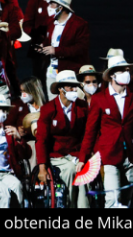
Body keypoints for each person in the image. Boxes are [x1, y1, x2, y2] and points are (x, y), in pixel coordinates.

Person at [80, 55, 133, 208]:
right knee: (113, 199)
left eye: (127, 70)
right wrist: (83, 158)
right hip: (110, 155)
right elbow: (90, 131)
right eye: (121, 70)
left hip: (132, 155)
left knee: (126, 202)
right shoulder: (99, 99)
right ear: (112, 75)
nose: (126, 73)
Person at [35, 70, 89, 208]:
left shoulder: (82, 107)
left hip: (77, 154)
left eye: (75, 86)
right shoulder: (48, 109)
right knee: (71, 170)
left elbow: (87, 134)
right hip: (56, 156)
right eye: (70, 86)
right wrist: (42, 168)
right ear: (60, 89)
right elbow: (41, 140)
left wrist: (83, 158)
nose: (74, 89)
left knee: (85, 172)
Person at [36, 0, 90, 99]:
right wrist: (43, 47)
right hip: (52, 72)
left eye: (52, 4)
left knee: (72, 105)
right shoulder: (51, 23)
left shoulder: (79, 24)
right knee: (54, 105)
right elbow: (49, 42)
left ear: (60, 7)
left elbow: (80, 48)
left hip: (70, 73)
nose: (49, 7)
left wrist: (56, 51)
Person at [24, 0, 61, 81]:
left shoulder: (64, 1)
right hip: (39, 50)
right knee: (39, 79)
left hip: (58, 49)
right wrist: (38, 40)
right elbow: (27, 24)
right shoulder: (36, 0)